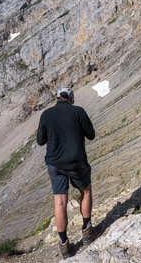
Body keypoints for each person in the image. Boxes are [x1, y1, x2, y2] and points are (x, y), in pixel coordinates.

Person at [37, 87, 99, 258]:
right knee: (85, 191)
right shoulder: (78, 111)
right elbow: (91, 135)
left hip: (54, 163)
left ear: (56, 99)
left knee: (60, 201)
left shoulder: (46, 115)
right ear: (71, 100)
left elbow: (40, 141)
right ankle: (87, 231)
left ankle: (64, 245)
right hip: (76, 160)